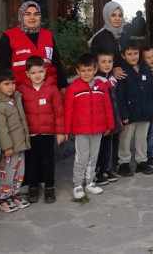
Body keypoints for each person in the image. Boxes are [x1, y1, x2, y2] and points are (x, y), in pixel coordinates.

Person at [65, 54, 115, 199]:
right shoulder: (73, 88)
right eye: (83, 70)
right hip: (81, 130)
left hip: (98, 129)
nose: (86, 73)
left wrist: (109, 125)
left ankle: (90, 182)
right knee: (81, 158)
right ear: (78, 71)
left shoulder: (102, 86)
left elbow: (108, 107)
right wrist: (66, 130)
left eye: (89, 70)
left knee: (93, 157)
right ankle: (78, 184)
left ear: (95, 69)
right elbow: (68, 111)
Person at [17, 55, 65, 204]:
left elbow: (59, 112)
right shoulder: (21, 90)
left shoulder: (52, 89)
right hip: (30, 134)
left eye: (40, 72)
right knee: (32, 162)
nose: (37, 75)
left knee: (47, 161)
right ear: (27, 74)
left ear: (45, 71)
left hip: (47, 133)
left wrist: (60, 132)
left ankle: (49, 187)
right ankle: (33, 187)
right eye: (33, 73)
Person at [0, 1, 68, 91]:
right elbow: (1, 69)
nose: (32, 18)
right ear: (21, 16)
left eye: (36, 14)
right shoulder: (9, 36)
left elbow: (57, 63)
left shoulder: (47, 35)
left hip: (48, 91)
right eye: (28, 14)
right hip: (20, 93)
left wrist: (63, 86)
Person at [116, 45, 153, 177]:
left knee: (142, 139)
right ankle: (124, 163)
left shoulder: (146, 69)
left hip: (145, 111)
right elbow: (120, 95)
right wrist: (124, 114)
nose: (133, 57)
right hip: (129, 113)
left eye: (135, 53)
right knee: (125, 139)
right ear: (123, 55)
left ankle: (142, 161)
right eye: (129, 54)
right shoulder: (122, 72)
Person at [0, 68, 31, 213]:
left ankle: (15, 193)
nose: (11, 86)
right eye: (6, 84)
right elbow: (1, 128)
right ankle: (4, 198)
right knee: (6, 173)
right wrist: (7, 147)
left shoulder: (15, 98)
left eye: (13, 83)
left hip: (20, 144)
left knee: (19, 172)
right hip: (10, 148)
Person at [92, 51, 122, 185]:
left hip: (113, 119)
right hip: (103, 121)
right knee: (100, 147)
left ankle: (105, 168)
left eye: (109, 61)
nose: (107, 64)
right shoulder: (97, 81)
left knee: (108, 146)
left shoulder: (112, 79)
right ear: (97, 64)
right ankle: (97, 171)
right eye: (103, 62)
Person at [89, 1, 131, 79]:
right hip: (106, 81)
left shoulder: (126, 36)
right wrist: (111, 70)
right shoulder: (99, 38)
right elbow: (95, 63)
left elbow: (132, 57)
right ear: (107, 16)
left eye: (120, 15)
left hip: (126, 78)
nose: (117, 18)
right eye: (113, 15)